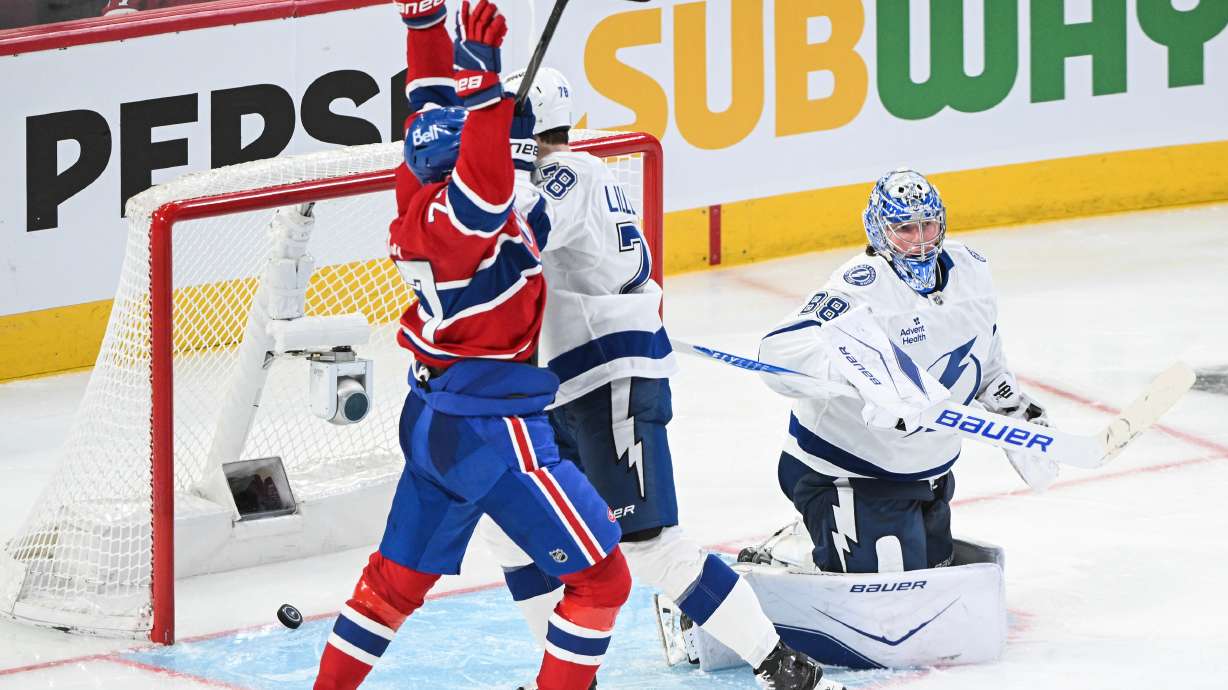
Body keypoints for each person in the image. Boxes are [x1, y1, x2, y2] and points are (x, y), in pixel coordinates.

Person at [476, 66, 844, 690]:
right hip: (564, 385)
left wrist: (508, 158)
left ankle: (782, 668)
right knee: (510, 526)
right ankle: (567, 681)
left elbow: (517, 236)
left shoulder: (566, 175)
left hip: (609, 380)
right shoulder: (566, 174)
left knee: (649, 545)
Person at [312, 3, 629, 689]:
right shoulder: (464, 220)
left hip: (432, 417)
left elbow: (427, 109)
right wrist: (484, 85)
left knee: (389, 589)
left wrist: (425, 28)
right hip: (493, 427)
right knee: (604, 579)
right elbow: (486, 182)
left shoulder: (414, 191)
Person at [756, 168, 1055, 575]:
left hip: (928, 474)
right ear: (878, 231)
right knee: (888, 606)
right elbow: (777, 351)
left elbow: (985, 349)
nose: (920, 240)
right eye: (905, 229)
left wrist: (1008, 403)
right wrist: (862, 374)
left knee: (932, 587)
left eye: (927, 225)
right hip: (847, 476)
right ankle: (798, 546)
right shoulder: (859, 287)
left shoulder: (970, 272)